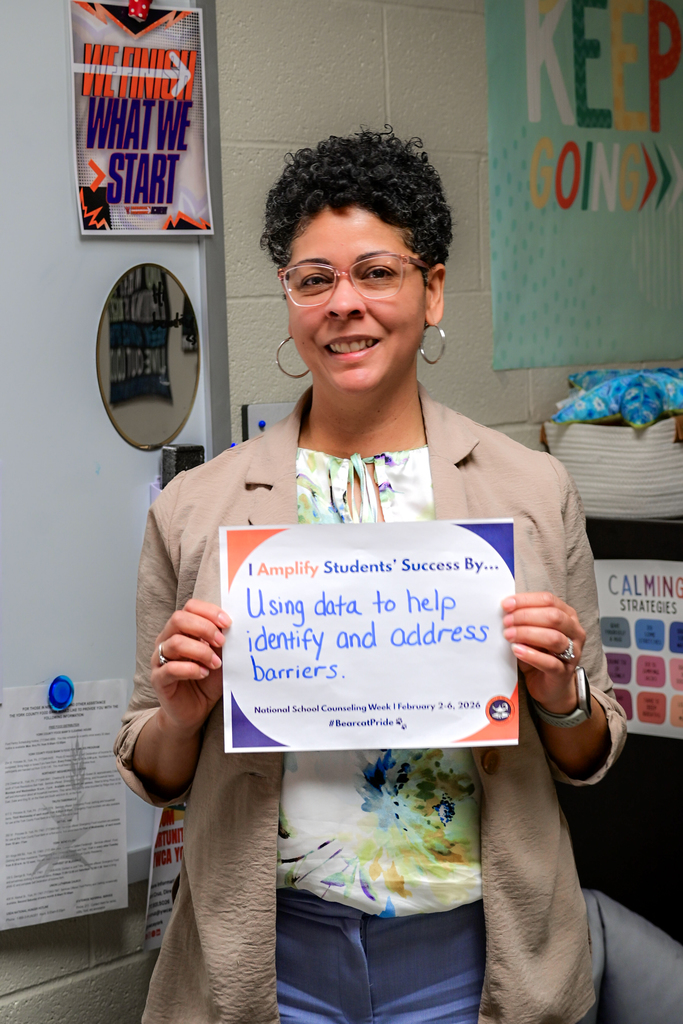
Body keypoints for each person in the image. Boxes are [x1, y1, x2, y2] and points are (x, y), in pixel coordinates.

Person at [115, 129, 627, 1024]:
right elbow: (149, 765)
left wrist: (559, 697)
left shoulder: (531, 491)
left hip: (472, 957)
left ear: (433, 290)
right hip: (271, 963)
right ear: (288, 298)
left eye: (377, 272)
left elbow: (591, 752)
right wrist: (180, 718)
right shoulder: (196, 509)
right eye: (313, 279)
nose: (343, 304)